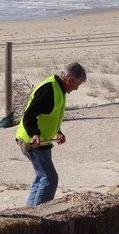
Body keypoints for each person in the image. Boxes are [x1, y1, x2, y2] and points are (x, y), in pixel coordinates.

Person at [15, 62, 86, 206]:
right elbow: (29, 115)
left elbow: (50, 115)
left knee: (41, 177)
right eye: (77, 85)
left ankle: (31, 212)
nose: (76, 89)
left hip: (43, 140)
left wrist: (58, 132)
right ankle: (41, 214)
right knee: (50, 179)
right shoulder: (49, 90)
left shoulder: (59, 88)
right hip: (31, 141)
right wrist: (34, 134)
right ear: (70, 80)